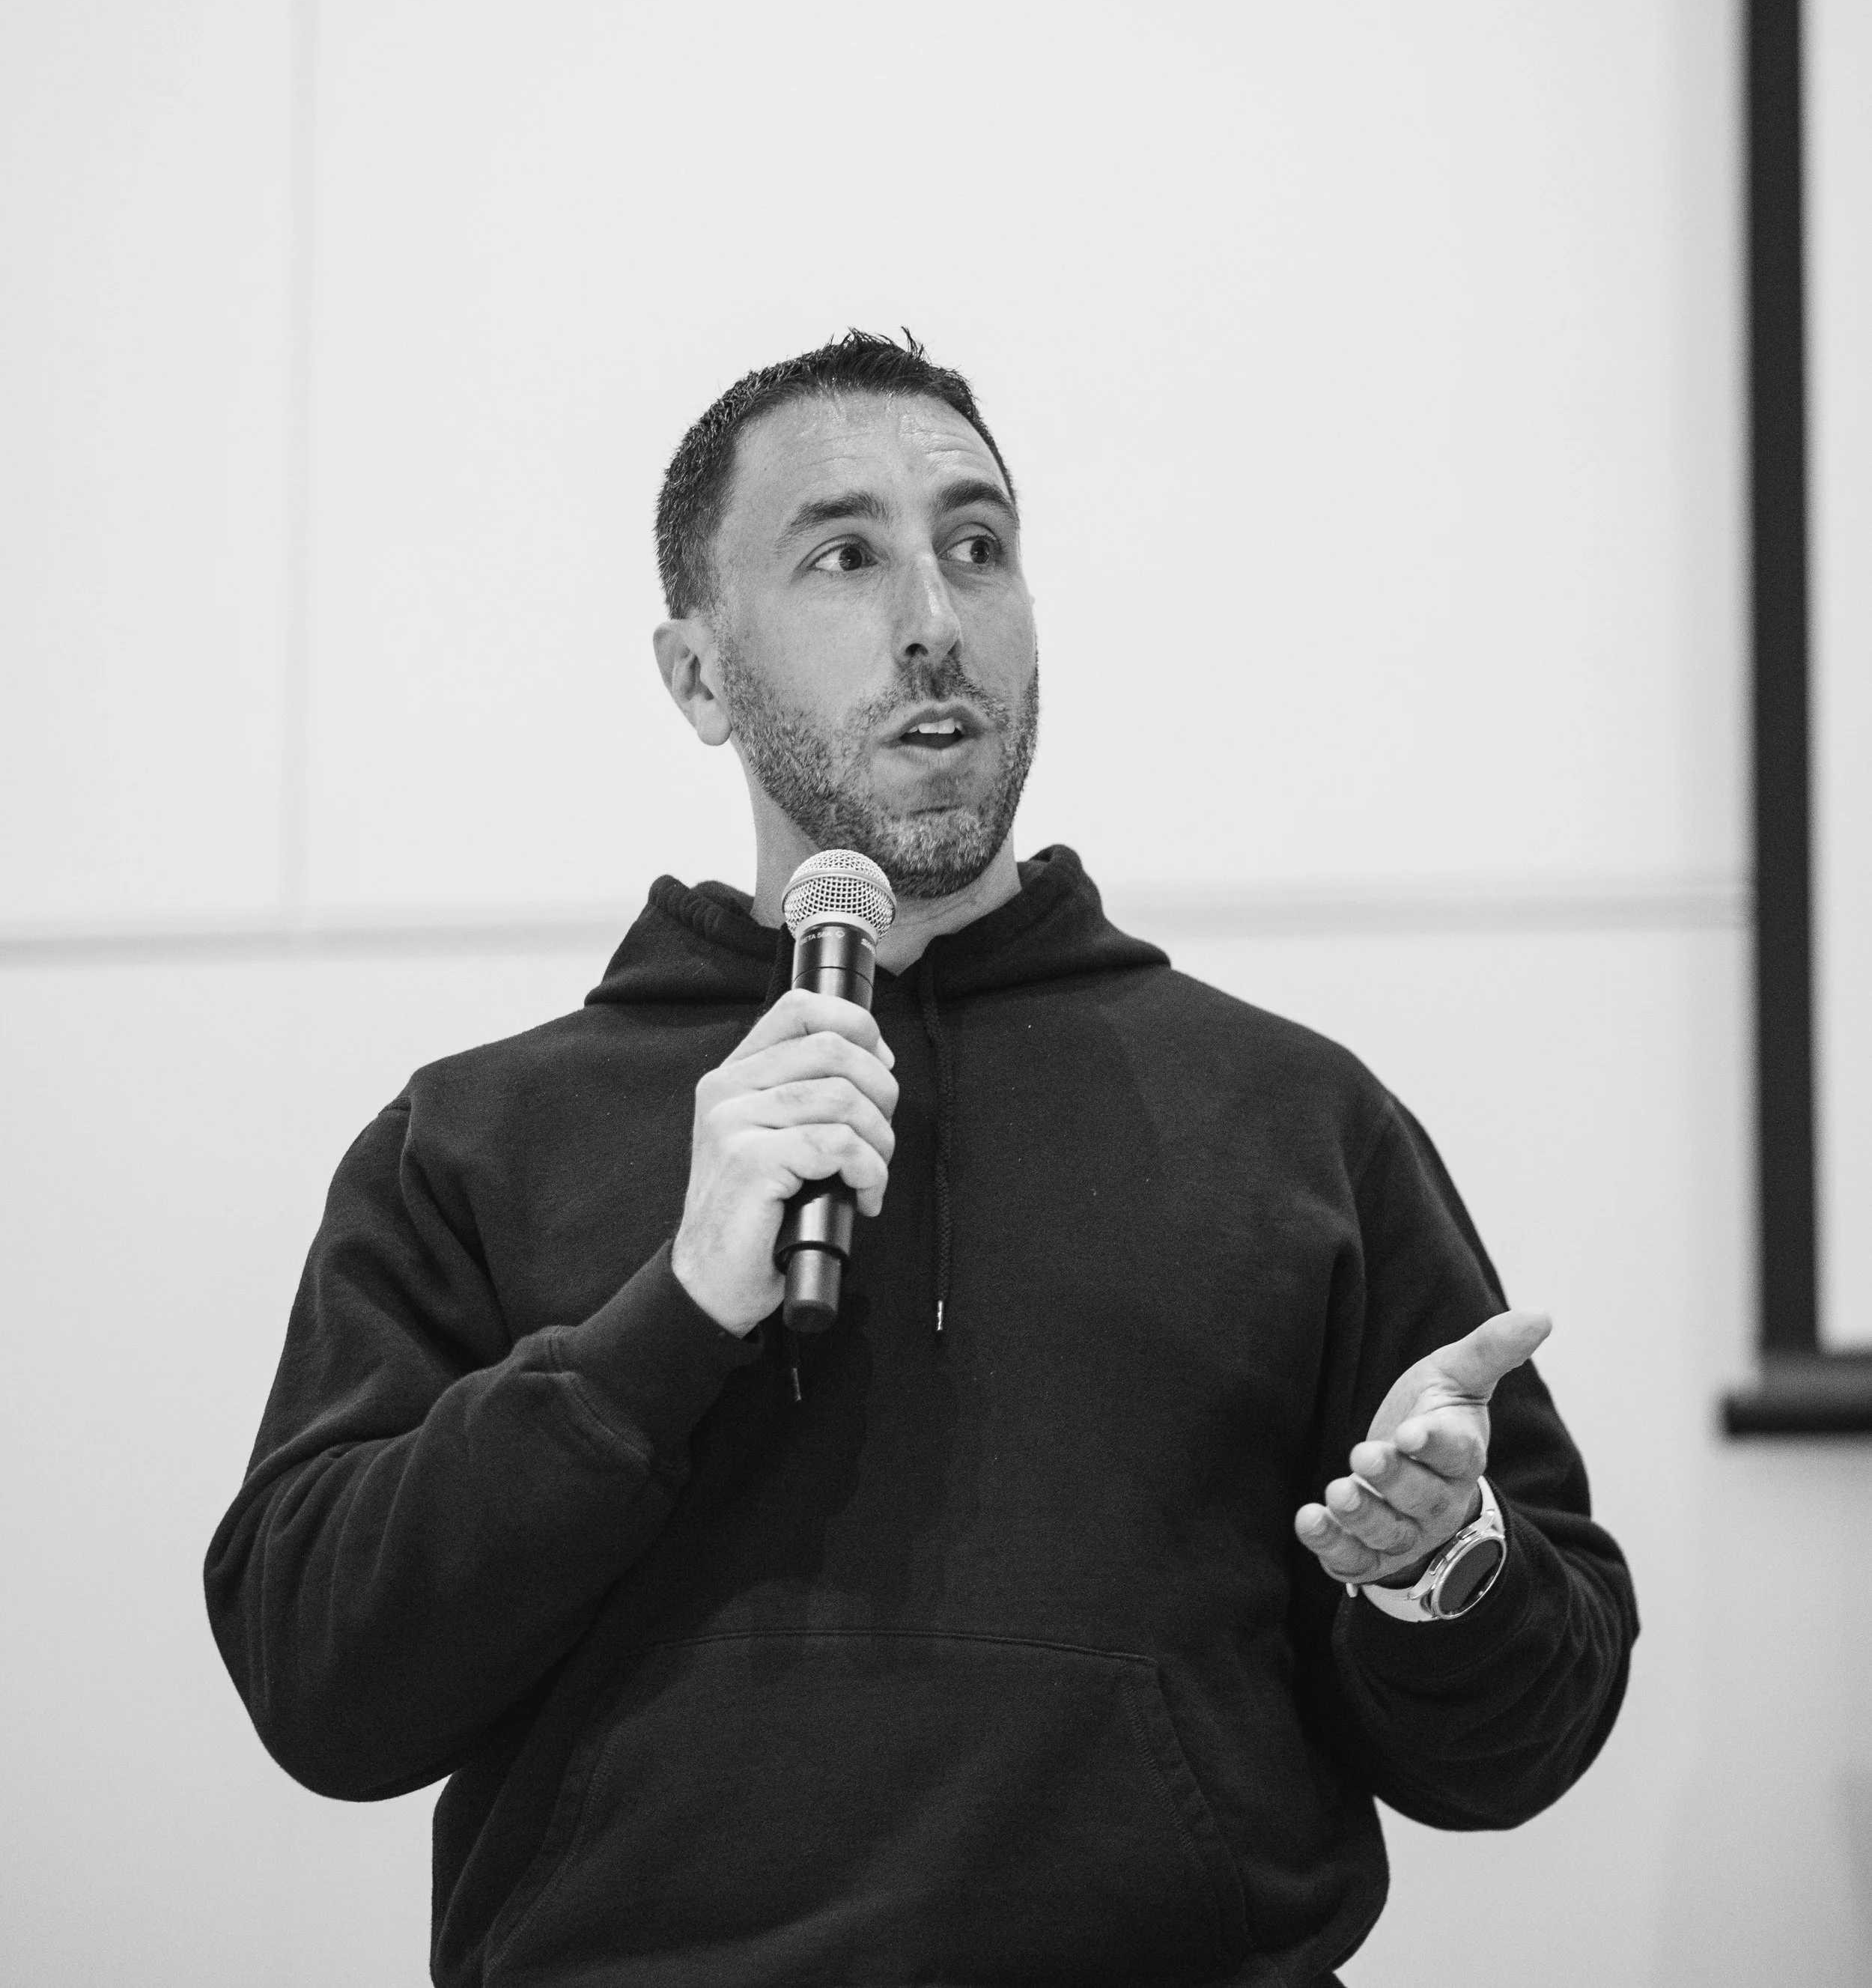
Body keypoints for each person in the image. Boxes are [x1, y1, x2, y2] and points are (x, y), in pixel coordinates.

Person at [206, 329, 1635, 1988]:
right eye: (843, 557)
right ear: (694, 674)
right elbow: (324, 1689)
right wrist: (661, 1323)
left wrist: (1443, 1573)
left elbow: (1522, 1742)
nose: (932, 622)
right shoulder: (470, 1141)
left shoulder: (1291, 1121)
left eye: (976, 546)